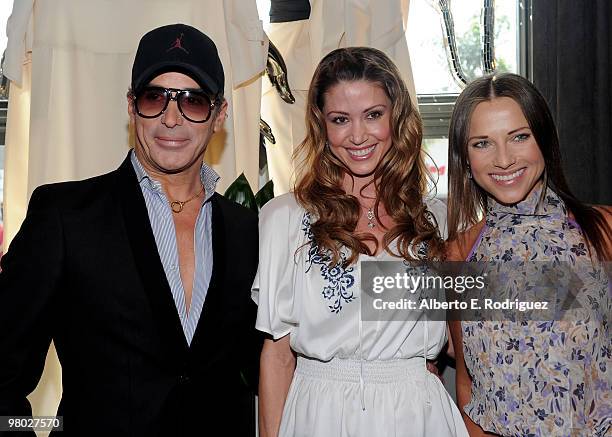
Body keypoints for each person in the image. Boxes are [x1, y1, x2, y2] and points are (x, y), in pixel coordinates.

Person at [0, 24, 261, 436]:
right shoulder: (65, 217)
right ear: (131, 105)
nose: (171, 119)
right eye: (154, 97)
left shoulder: (250, 231)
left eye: (193, 102)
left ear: (219, 115)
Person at [253, 47, 469, 437]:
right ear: (321, 125)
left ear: (396, 116)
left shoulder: (438, 218)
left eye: (373, 115)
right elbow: (278, 357)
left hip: (417, 414)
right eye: (340, 119)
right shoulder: (283, 218)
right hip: (319, 415)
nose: (358, 135)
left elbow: (469, 341)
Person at [446, 73, 612, 436]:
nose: (504, 159)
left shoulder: (604, 231)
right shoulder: (457, 253)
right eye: (482, 143)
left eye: (519, 137)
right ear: (465, 158)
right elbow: (468, 384)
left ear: (544, 140)